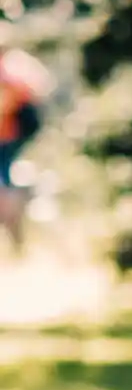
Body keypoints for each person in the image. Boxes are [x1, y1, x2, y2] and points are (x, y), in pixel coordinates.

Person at [0, 47, 49, 256]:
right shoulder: (16, 65)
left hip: (8, 135)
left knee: (4, 181)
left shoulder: (8, 73)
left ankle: (13, 221)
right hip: (12, 134)